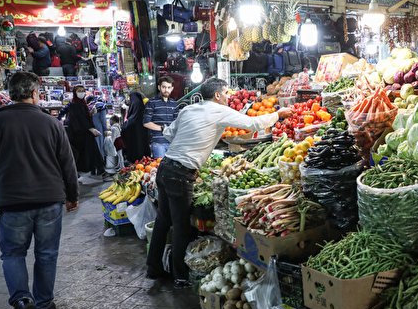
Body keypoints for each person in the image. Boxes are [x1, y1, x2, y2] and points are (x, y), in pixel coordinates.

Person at [146, 78, 292, 288]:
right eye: (226, 93)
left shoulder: (188, 110)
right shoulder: (218, 110)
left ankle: (153, 268)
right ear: (217, 95)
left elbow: (169, 133)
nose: (228, 96)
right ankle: (180, 276)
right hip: (181, 174)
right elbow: (252, 124)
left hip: (165, 167)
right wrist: (278, 114)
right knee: (180, 226)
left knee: (163, 220)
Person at [0, 71, 78, 309]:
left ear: (9, 94)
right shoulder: (51, 123)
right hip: (49, 200)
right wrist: (73, 195)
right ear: (34, 93)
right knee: (47, 253)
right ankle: (43, 305)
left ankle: (22, 300)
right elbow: (68, 163)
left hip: (11, 202)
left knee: (13, 253)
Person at [66, 86, 106, 184]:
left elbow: (83, 116)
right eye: (79, 91)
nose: (82, 93)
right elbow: (79, 119)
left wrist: (91, 113)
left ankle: (100, 170)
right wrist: (91, 128)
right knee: (82, 154)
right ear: (75, 93)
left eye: (83, 91)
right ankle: (76, 175)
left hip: (84, 132)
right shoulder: (74, 104)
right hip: (78, 134)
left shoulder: (81, 103)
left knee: (91, 152)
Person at [143, 76, 179, 159]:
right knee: (159, 168)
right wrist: (163, 128)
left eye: (169, 87)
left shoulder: (174, 103)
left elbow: (176, 122)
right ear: (159, 87)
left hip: (172, 143)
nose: (166, 90)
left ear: (172, 88)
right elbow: (146, 123)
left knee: (172, 169)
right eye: (164, 87)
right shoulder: (152, 102)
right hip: (158, 143)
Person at [121, 91, 150, 164]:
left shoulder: (132, 118)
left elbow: (125, 128)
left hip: (135, 153)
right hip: (144, 152)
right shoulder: (144, 113)